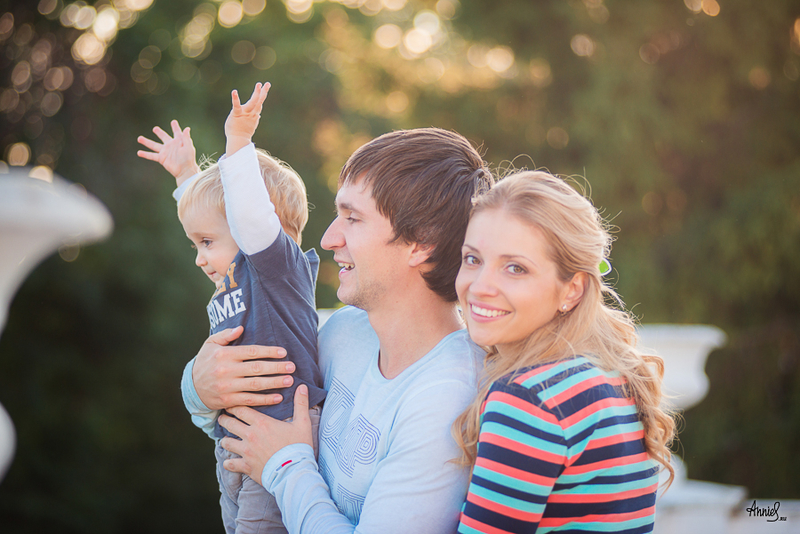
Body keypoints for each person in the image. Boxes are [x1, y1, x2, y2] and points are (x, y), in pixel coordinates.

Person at [181, 127, 494, 533]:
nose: (328, 239)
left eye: (353, 218)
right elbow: (247, 415)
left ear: (422, 242)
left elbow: (274, 454)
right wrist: (198, 388)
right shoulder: (342, 331)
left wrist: (285, 466)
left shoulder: (447, 398)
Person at [137, 83, 327, 534]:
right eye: (196, 245)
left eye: (206, 244)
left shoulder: (276, 271)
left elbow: (245, 216)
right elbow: (214, 215)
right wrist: (187, 175)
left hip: (278, 437)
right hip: (235, 443)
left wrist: (238, 142)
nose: (199, 258)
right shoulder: (238, 277)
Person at [452, 171, 676, 533]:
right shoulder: (610, 376)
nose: (479, 287)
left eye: (515, 268)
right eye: (472, 259)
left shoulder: (530, 399)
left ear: (572, 289)